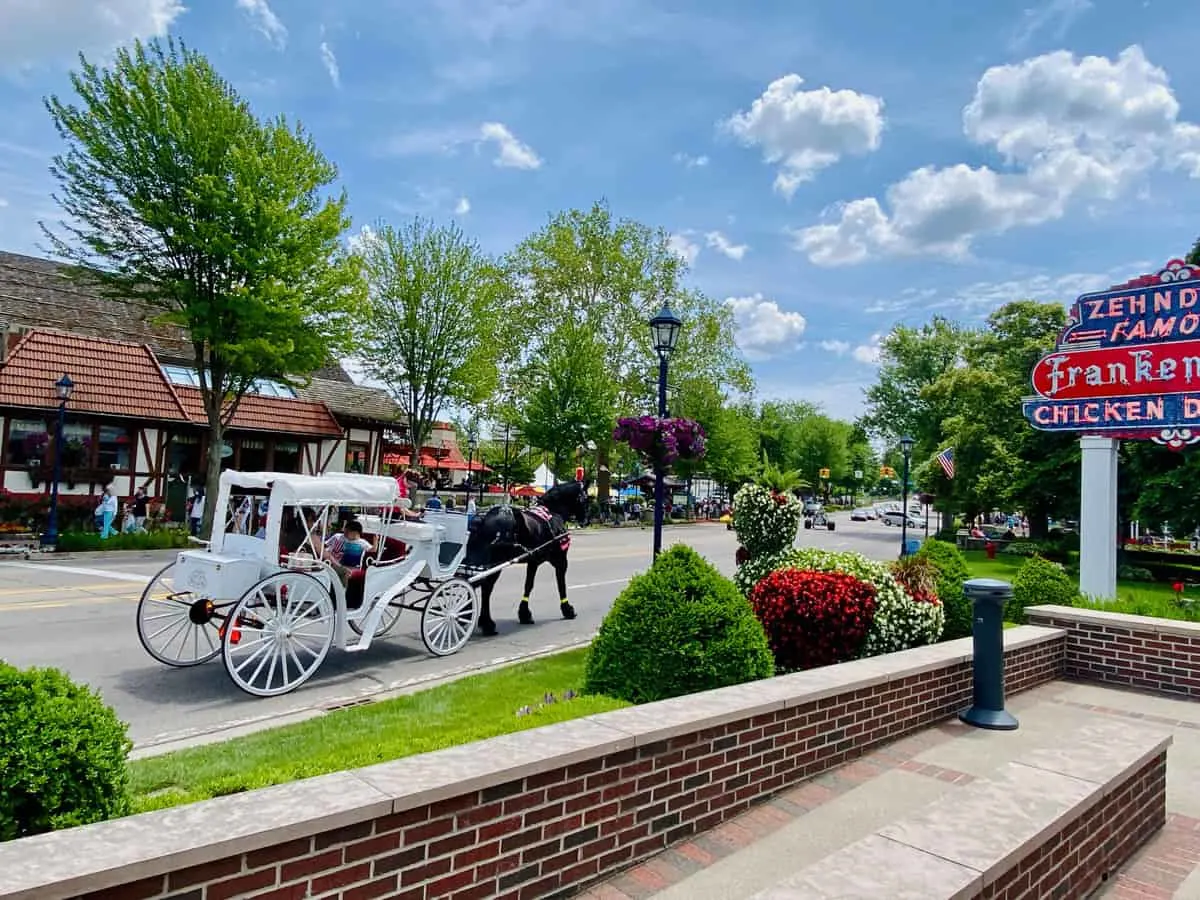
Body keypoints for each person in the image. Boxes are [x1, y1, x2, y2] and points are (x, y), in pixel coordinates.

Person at [322, 519, 374, 585]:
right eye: (345, 531)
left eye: (347, 532)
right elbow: (325, 545)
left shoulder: (362, 542)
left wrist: (376, 542)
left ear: (355, 533)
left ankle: (342, 591)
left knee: (346, 573)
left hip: (354, 567)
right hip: (337, 564)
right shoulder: (338, 537)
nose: (344, 533)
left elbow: (372, 549)